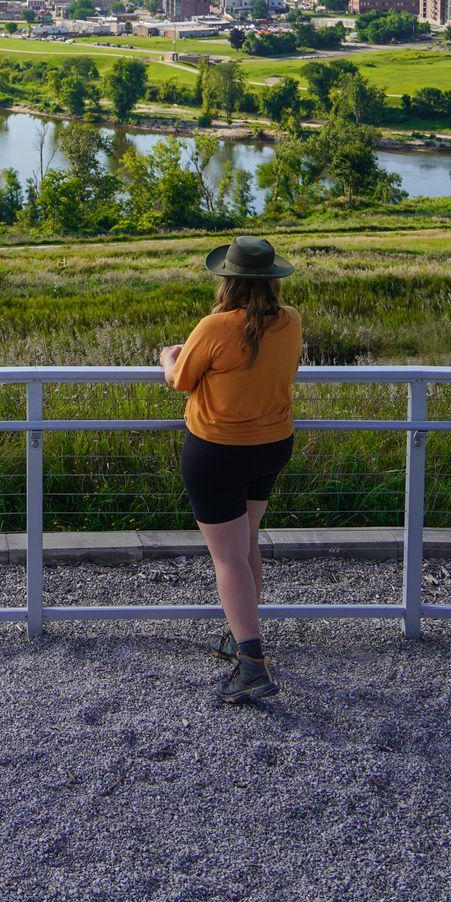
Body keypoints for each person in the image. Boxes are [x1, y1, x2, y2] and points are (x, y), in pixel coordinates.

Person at [159, 235, 301, 705]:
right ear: (273, 280)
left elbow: (180, 381)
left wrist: (169, 354)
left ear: (227, 280)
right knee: (246, 544)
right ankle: (242, 640)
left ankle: (253, 664)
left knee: (228, 557)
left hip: (218, 451)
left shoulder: (215, 327)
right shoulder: (291, 322)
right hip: (271, 446)